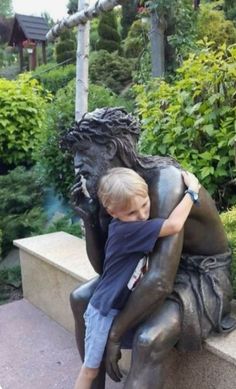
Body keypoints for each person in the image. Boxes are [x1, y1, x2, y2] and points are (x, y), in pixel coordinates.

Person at [61, 107, 236, 389]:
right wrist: (92, 219)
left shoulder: (165, 182)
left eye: (84, 151)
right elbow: (108, 270)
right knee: (80, 298)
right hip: (149, 267)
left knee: (148, 339)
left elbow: (159, 282)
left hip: (198, 276)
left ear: (110, 148)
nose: (77, 164)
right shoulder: (116, 192)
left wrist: (115, 334)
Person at [74, 167, 200, 389]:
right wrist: (192, 191)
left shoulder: (130, 225)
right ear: (113, 212)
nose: (142, 215)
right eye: (132, 213)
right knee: (90, 369)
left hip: (112, 305)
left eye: (145, 204)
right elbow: (174, 225)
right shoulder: (129, 231)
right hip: (103, 311)